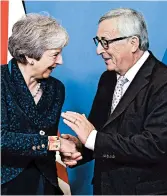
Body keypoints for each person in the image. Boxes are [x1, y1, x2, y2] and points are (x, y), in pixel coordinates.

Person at [61, 8, 167, 195]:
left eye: (105, 42)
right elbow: (100, 134)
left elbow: (155, 145)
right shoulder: (107, 79)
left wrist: (93, 139)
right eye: (98, 42)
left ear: (133, 43)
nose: (98, 50)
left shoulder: (163, 82)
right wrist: (80, 148)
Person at [1, 13, 81, 195]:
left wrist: (65, 151)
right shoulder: (1, 81)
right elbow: (1, 138)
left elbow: (46, 139)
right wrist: (56, 143)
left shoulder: (56, 88)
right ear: (30, 56)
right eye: (55, 54)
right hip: (6, 183)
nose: (60, 61)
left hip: (45, 181)